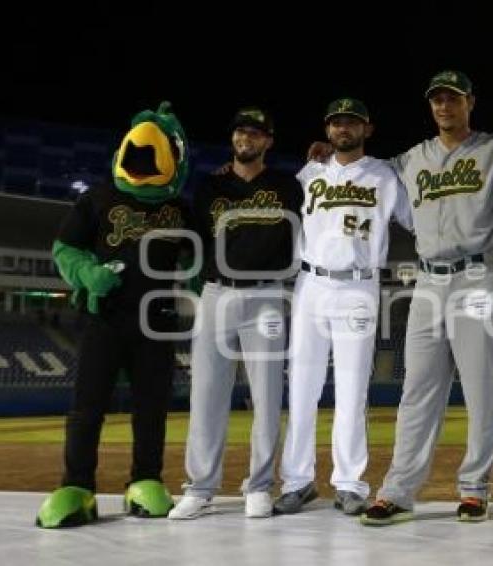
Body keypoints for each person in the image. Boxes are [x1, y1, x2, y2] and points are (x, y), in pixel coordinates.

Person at [351, 70, 493, 525]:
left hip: (479, 276)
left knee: (480, 389)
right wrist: (329, 156)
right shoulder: (412, 158)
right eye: (437, 99)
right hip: (426, 283)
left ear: (470, 103)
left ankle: (475, 488)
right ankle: (398, 491)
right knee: (416, 390)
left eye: (453, 99)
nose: (444, 107)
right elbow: (363, 171)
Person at [37, 102, 190, 527]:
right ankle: (77, 486)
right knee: (86, 408)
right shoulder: (97, 197)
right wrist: (87, 273)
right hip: (104, 318)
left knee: (152, 409)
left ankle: (145, 480)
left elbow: (203, 259)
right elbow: (65, 248)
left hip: (157, 322)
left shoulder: (180, 207)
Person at [275, 98, 413, 516]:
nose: (343, 128)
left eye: (351, 122)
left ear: (367, 129)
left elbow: (415, 219)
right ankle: (297, 482)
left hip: (358, 285)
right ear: (327, 129)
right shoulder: (309, 172)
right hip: (310, 284)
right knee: (301, 386)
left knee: (352, 389)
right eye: (336, 122)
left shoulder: (385, 175)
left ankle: (350, 483)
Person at [168, 107, 304, 520]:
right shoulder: (210, 186)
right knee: (206, 395)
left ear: (268, 140)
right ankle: (201, 486)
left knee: (266, 396)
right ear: (233, 139)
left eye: (255, 132)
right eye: (240, 131)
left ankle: (259, 485)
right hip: (216, 294)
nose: (246, 137)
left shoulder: (288, 185)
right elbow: (196, 240)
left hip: (265, 296)